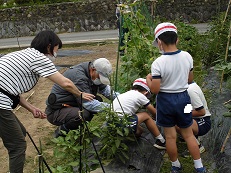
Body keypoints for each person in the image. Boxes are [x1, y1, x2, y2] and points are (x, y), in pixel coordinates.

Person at [0, 30, 94, 173]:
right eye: (57, 48)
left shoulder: (24, 54)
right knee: (17, 146)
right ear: (49, 46)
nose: (57, 52)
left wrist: (32, 108)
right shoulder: (38, 58)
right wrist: (80, 94)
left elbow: (10, 91)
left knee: (21, 132)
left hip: (3, 100)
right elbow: (65, 83)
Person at [146, 22, 206, 173]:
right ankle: (199, 167)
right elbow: (189, 79)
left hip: (166, 101)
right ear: (177, 39)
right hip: (184, 99)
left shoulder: (158, 63)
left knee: (170, 137)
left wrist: (149, 79)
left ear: (159, 42)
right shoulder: (187, 56)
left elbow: (155, 89)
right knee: (188, 134)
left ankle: (176, 166)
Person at [45, 58, 117, 138]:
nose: (100, 80)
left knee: (97, 100)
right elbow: (89, 104)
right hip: (56, 111)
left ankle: (79, 129)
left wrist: (123, 99)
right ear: (93, 69)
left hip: (72, 103)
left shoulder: (92, 73)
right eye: (100, 77)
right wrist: (113, 109)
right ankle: (62, 132)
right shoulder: (79, 77)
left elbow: (106, 90)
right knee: (83, 114)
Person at [112, 78, 166, 150]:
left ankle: (124, 139)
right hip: (122, 123)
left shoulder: (124, 94)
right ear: (146, 93)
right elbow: (154, 112)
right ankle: (161, 141)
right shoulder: (140, 96)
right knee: (145, 115)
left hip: (111, 123)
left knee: (139, 131)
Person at [177, 82, 211, 156]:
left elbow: (201, 112)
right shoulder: (187, 86)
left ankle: (198, 147)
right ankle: (191, 136)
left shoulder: (190, 90)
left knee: (175, 121)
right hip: (197, 118)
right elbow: (189, 105)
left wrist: (181, 114)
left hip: (203, 121)